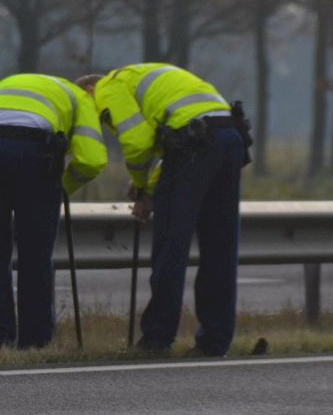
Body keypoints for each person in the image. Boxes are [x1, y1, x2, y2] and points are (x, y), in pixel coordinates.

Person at [86, 63, 252, 356]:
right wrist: (149, 189)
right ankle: (215, 341)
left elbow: (138, 143)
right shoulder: (146, 78)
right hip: (229, 136)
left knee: (170, 247)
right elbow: (170, 151)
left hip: (194, 143)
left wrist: (140, 188)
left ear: (89, 91)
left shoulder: (108, 86)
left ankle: (156, 339)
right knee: (220, 248)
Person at [0, 74, 107, 348]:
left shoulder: (14, 82)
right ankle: (35, 342)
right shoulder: (80, 98)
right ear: (90, 90)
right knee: (35, 253)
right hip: (32, 151)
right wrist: (61, 186)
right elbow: (92, 160)